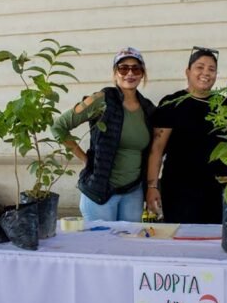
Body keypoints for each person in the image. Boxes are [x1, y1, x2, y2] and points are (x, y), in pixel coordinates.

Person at [52, 47, 155, 222]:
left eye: (136, 69)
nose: (130, 73)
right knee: (100, 239)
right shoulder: (101, 99)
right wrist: (85, 159)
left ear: (142, 74)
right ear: (115, 73)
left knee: (131, 239)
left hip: (133, 192)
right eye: (123, 68)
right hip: (100, 190)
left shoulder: (148, 108)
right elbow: (59, 127)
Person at [146, 47, 227, 223]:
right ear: (188, 72)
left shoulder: (224, 105)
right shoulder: (171, 103)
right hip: (180, 190)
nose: (206, 73)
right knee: (181, 236)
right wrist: (152, 186)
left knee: (215, 237)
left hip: (217, 189)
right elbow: (157, 149)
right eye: (200, 67)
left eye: (211, 69)